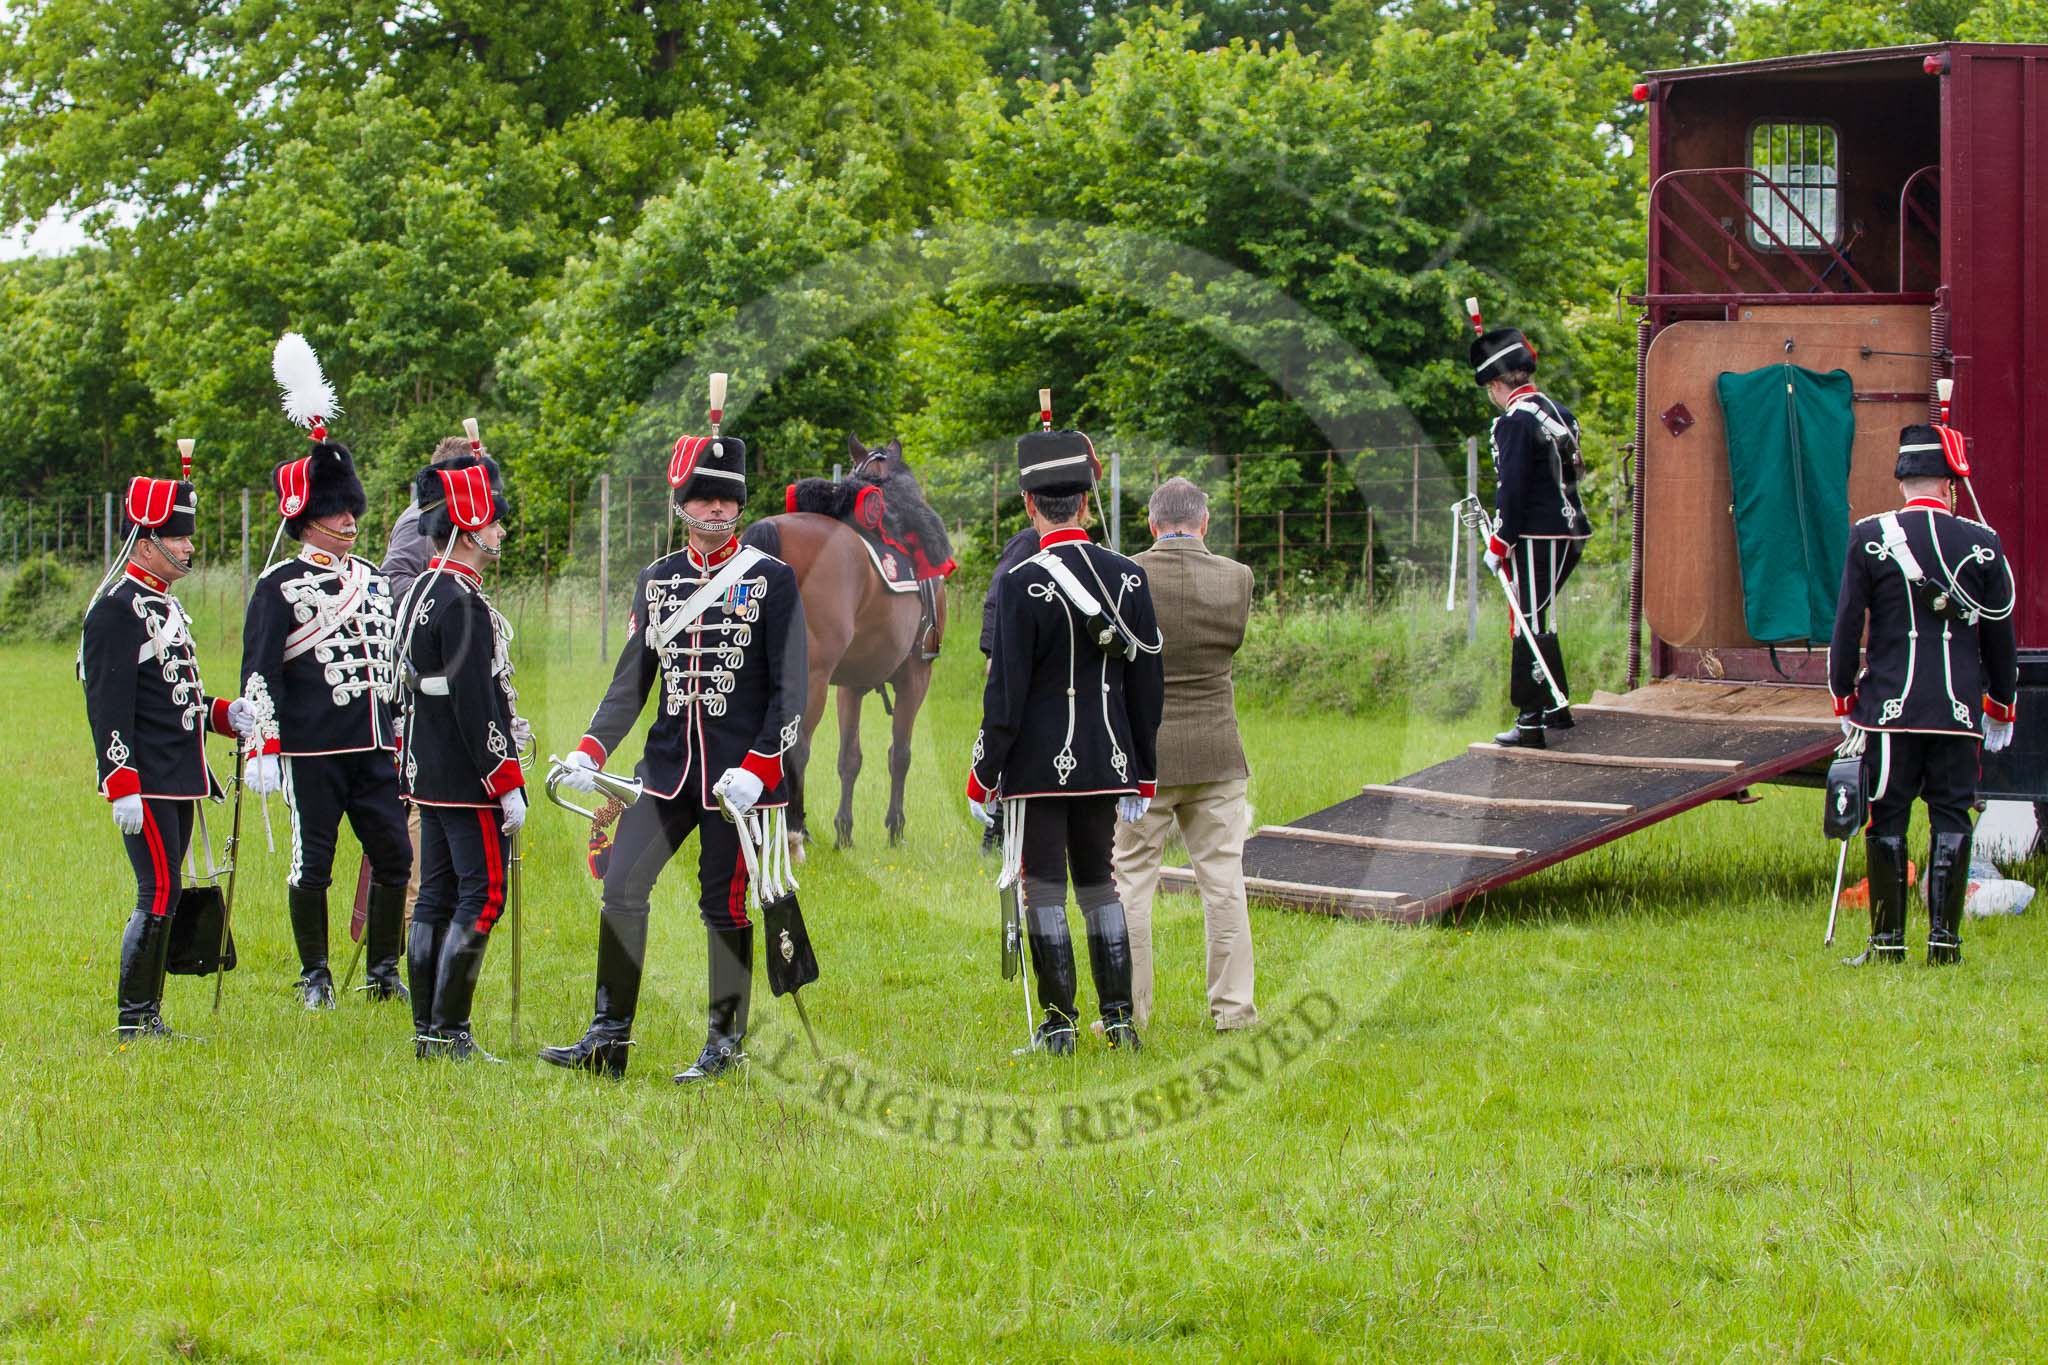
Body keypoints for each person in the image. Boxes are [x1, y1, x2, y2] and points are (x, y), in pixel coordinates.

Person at [541, 388, 807, 1083]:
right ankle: (608, 1037)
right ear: (680, 503)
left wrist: (757, 765)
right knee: (623, 883)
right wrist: (590, 751)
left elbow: (791, 689)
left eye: (725, 498)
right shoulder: (657, 581)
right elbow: (632, 683)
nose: (716, 509)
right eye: (703, 497)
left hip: (735, 781)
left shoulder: (771, 580)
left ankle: (723, 1042)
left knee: (721, 900)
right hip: (665, 771)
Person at [968, 416, 1164, 1054]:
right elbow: (1147, 687)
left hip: (1036, 768)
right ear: (1084, 500)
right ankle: (1120, 1023)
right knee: (1100, 882)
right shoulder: (1130, 577)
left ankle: (1058, 1028)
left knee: (1045, 885)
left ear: (1030, 504)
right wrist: (1142, 770)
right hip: (1109, 761)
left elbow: (1006, 697)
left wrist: (984, 772)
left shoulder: (1021, 583)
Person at [1830, 422, 2017, 966]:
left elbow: (1847, 629)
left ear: (1903, 480)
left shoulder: (1868, 536)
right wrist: (2000, 705)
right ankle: (1944, 945)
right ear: (1949, 483)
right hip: (1957, 710)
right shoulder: (1983, 544)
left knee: (1886, 818)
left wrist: (1844, 697)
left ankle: (1887, 944)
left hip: (1889, 710)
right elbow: (1999, 637)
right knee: (1953, 818)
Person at [80, 467, 256, 1037]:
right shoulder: (116, 607)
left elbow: (173, 697)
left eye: (187, 535)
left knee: (169, 889)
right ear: (147, 540)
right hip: (147, 778)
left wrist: (225, 715)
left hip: (180, 775)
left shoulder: (162, 603)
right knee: (157, 888)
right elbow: (109, 705)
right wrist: (120, 778)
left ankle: (148, 1014)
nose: (188, 546)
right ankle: (135, 1018)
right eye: (177, 536)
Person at [241, 434, 411, 1008]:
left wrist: (398, 730)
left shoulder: (373, 579)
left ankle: (383, 970)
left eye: (349, 508)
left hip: (372, 747)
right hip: (311, 750)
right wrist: (262, 745)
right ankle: (315, 974)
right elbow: (260, 671)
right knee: (312, 862)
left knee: (395, 856)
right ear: (308, 520)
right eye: (335, 510)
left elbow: (388, 664)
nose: (348, 519)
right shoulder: (277, 587)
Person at [1110, 478, 1257, 1032]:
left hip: (1144, 758)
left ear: (1152, 523)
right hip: (1218, 752)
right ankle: (1234, 1010)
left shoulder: (1123, 575)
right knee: (1224, 882)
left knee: (1131, 884)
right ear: (1205, 521)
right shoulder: (1236, 578)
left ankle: (1128, 1012)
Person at [393, 453, 527, 1059]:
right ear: (470, 526)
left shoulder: (425, 587)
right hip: (468, 775)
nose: (501, 530)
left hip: (428, 769)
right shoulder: (464, 602)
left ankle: (428, 1028)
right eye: (494, 521)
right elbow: (476, 705)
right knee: (484, 895)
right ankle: (449, 1031)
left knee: (437, 898)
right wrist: (505, 780)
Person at [381, 435, 485, 939]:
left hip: (451, 655)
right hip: (426, 673)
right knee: (431, 804)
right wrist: (444, 608)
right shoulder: (416, 522)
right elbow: (394, 583)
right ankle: (415, 918)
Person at [1472, 316, 1591, 748]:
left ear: (1496, 386)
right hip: (1571, 531)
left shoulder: (1514, 422)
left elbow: (1513, 489)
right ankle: (1556, 709)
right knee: (1541, 615)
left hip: (1537, 534)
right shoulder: (1557, 411)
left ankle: (1530, 719)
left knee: (1529, 620)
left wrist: (1498, 542)